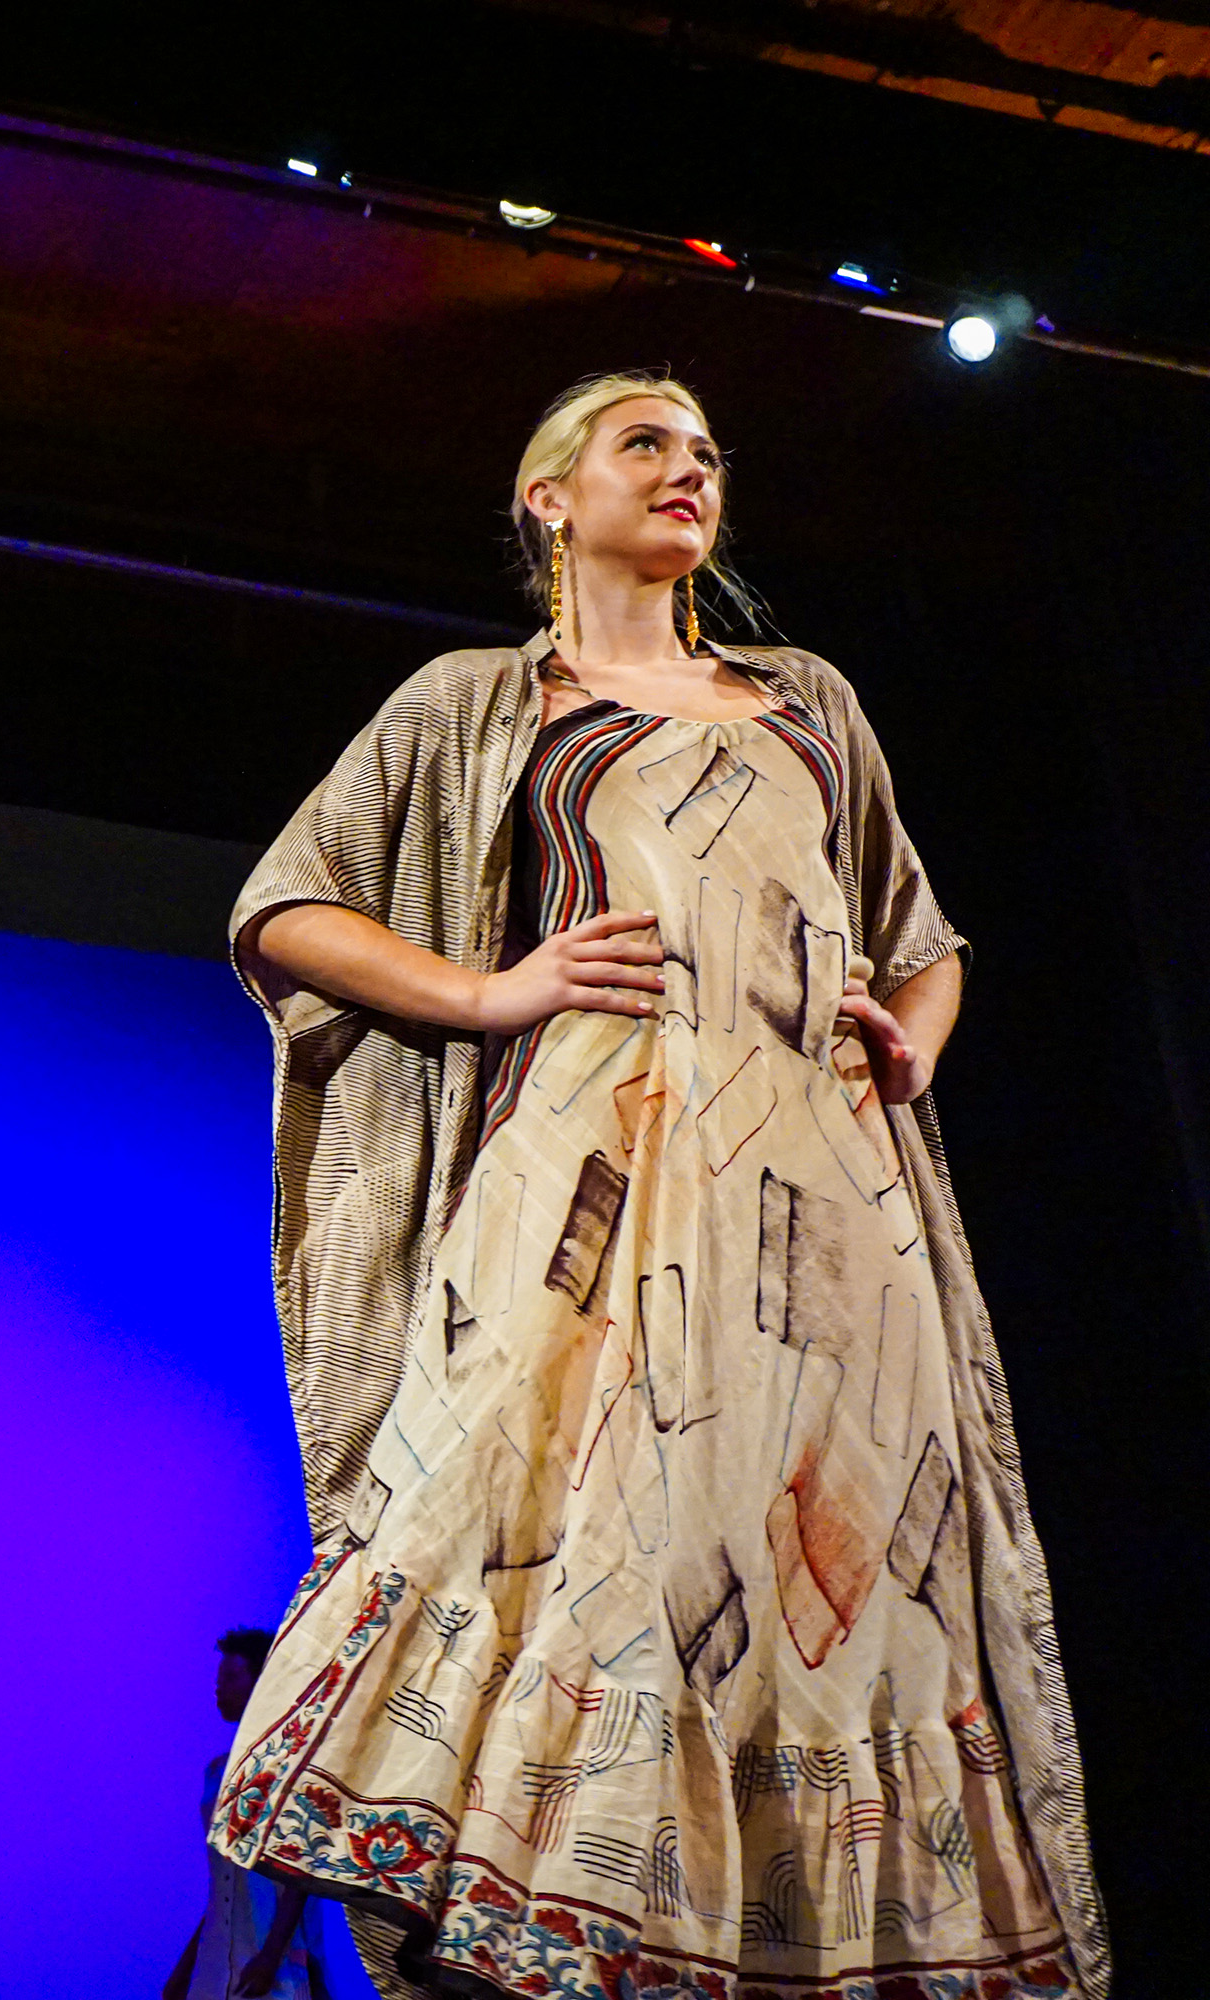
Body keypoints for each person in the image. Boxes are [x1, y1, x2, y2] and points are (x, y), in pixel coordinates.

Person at [206, 374, 1103, 1999]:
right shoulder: (477, 704)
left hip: (829, 1212)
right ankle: (540, 1908)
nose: (688, 471)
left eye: (706, 455)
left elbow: (928, 939)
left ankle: (775, 1938)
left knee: (822, 1589)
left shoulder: (806, 698)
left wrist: (906, 1047)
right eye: (646, 445)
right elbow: (285, 910)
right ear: (549, 498)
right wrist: (490, 989)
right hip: (593, 1182)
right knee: (575, 1529)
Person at [169, 1628, 331, 2000]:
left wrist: (270, 1956)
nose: (218, 1688)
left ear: (262, 1683)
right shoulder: (217, 1773)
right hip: (217, 1962)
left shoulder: (291, 1766)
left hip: (272, 1960)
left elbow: (300, 1873)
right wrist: (185, 1969)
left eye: (230, 1677)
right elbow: (226, 1888)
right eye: (218, 1678)